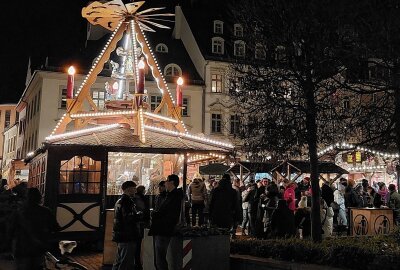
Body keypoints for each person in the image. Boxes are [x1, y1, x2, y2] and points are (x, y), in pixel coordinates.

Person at [8, 188, 60, 270]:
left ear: (27, 198)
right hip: (38, 248)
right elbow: (56, 228)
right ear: (39, 198)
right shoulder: (46, 211)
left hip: (22, 248)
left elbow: (10, 230)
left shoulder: (19, 212)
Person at [149, 174, 182, 270]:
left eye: (167, 181)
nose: (165, 183)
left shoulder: (173, 197)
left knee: (160, 257)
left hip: (163, 229)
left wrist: (155, 214)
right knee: (160, 257)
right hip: (163, 229)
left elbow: (167, 213)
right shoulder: (170, 195)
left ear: (171, 183)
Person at [112, 181, 141, 270]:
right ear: (129, 189)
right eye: (134, 188)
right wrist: (138, 215)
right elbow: (128, 218)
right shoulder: (127, 202)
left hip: (120, 234)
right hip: (128, 235)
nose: (136, 190)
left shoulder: (120, 201)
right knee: (126, 261)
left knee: (119, 260)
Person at [133, 185, 150, 270]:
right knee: (137, 245)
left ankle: (136, 263)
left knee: (136, 245)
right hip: (139, 225)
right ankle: (137, 263)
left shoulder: (134, 198)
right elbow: (143, 210)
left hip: (137, 225)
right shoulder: (140, 199)